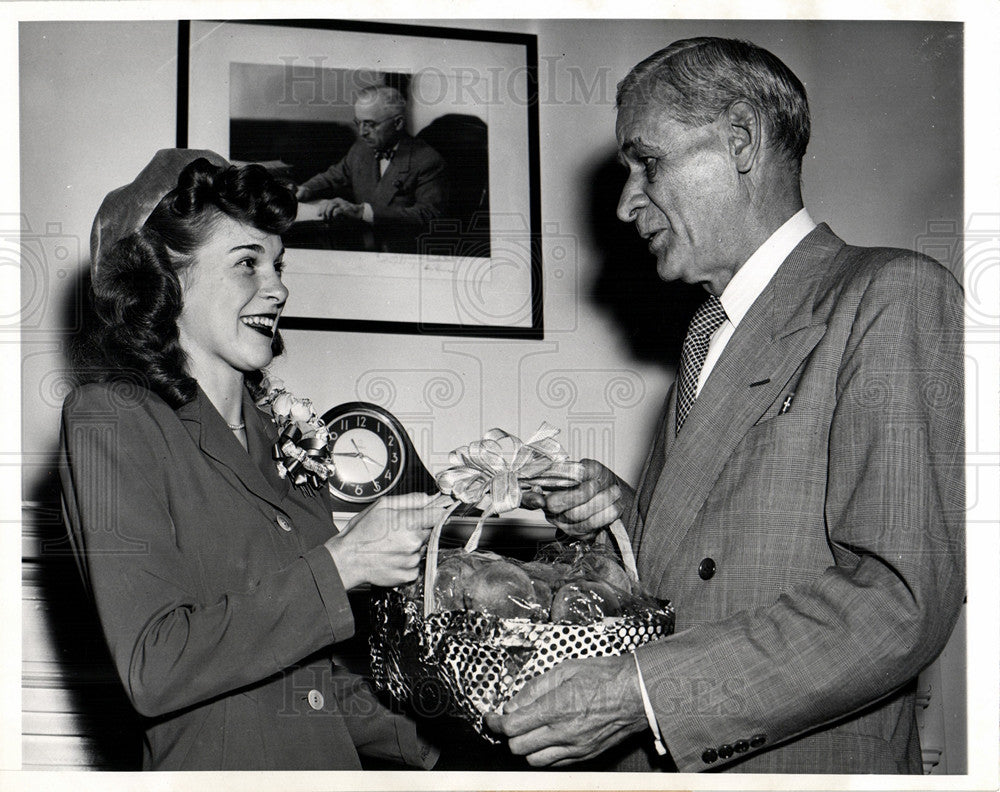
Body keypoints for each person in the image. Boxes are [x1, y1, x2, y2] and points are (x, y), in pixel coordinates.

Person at [488, 37, 965, 774]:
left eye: (648, 163)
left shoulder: (892, 295)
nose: (624, 203)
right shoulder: (711, 331)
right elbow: (712, 569)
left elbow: (899, 602)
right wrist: (625, 515)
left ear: (740, 139)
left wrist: (638, 693)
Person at [59, 148, 450, 770]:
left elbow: (308, 681)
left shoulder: (282, 436)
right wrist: (342, 563)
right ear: (166, 277)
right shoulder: (111, 420)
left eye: (278, 262)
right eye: (247, 263)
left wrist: (442, 752)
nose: (279, 286)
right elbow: (152, 667)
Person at [293, 85, 447, 253]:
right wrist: (306, 189)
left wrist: (361, 211)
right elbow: (334, 175)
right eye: (359, 123)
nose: (362, 132)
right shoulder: (362, 149)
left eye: (370, 124)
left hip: (401, 250)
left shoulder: (427, 160)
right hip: (362, 241)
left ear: (398, 123)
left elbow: (427, 215)